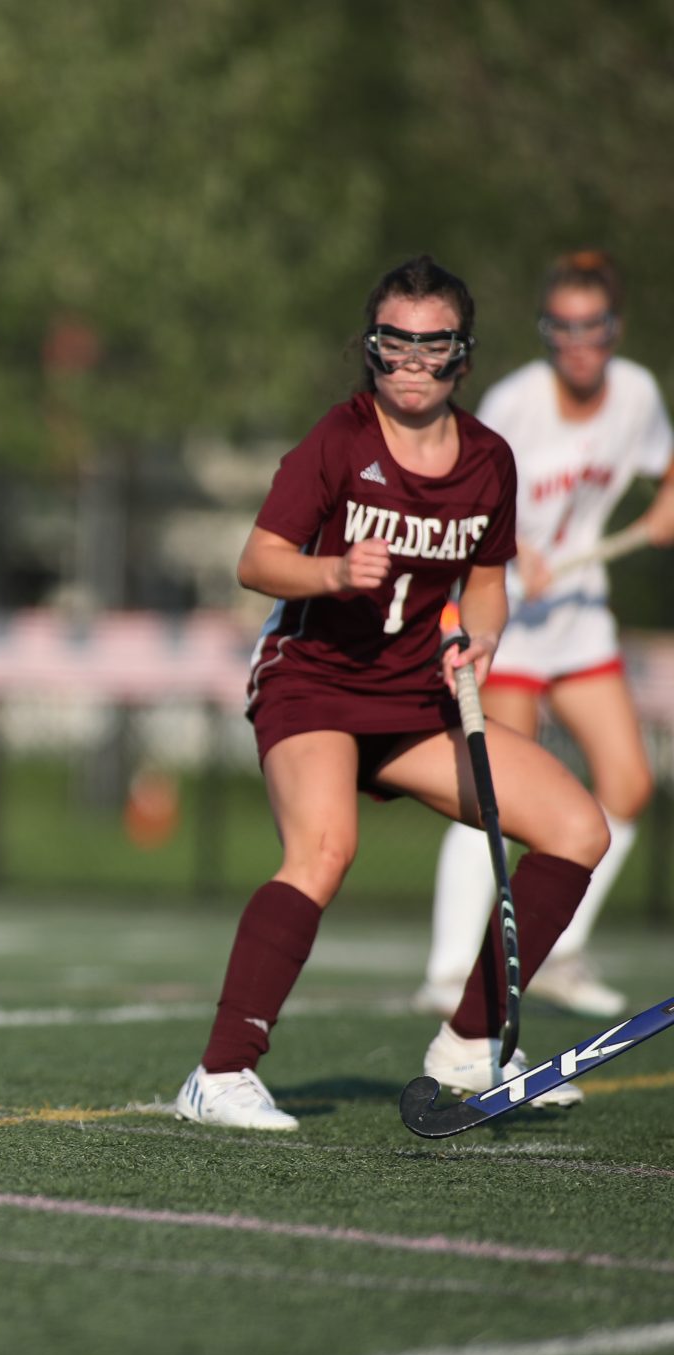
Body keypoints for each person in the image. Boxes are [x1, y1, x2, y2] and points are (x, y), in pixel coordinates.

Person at [174, 256, 610, 1130]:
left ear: (461, 353)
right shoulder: (339, 441)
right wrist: (334, 571)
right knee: (324, 850)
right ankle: (219, 1074)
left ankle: (471, 1042)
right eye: (395, 343)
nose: (412, 362)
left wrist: (482, 638)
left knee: (578, 829)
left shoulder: (488, 460)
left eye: (432, 345)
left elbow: (486, 583)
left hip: (416, 700)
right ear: (372, 348)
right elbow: (258, 561)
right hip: (314, 681)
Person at [416, 251, 674, 1019]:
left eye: (592, 325)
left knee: (627, 784)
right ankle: (447, 969)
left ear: (615, 327)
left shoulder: (637, 394)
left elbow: (667, 465)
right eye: (561, 326)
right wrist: (513, 543)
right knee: (497, 791)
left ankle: (558, 951)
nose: (577, 342)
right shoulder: (516, 402)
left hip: (578, 615)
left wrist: (664, 507)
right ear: (545, 330)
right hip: (509, 615)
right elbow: (458, 485)